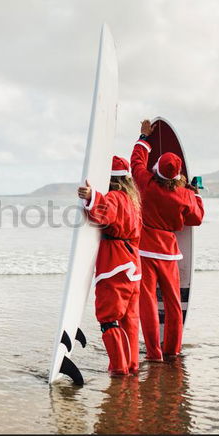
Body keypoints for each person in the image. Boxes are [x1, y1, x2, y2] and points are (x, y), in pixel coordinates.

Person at [131, 119, 204, 361]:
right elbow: (197, 218)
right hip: (169, 253)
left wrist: (144, 138)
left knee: (148, 301)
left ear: (157, 170)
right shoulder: (183, 196)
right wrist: (195, 196)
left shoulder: (147, 185)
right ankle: (172, 349)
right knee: (173, 302)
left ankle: (153, 353)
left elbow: (136, 163)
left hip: (144, 251)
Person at [77, 156, 142, 376]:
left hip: (115, 266)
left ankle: (118, 369)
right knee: (129, 319)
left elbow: (105, 211)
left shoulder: (115, 198)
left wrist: (91, 196)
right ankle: (132, 365)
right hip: (133, 267)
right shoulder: (133, 201)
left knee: (108, 318)